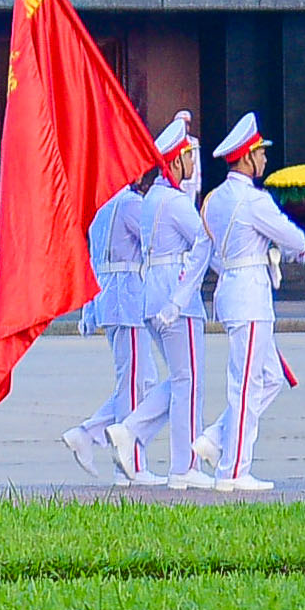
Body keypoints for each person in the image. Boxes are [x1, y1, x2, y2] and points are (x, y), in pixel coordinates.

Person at [65, 113, 193, 486]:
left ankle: (88, 434)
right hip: (130, 298)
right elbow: (159, 243)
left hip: (111, 298)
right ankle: (131, 464)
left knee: (139, 380)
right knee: (136, 381)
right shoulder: (132, 205)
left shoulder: (105, 207)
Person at [191, 114, 305, 493]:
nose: (263, 159)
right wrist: (292, 251)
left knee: (271, 377)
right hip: (250, 297)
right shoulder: (252, 200)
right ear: (246, 157)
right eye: (259, 153)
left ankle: (216, 436)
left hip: (231, 290)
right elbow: (294, 239)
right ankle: (233, 470)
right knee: (245, 385)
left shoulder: (216, 199)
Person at [106, 120, 212, 488]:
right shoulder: (174, 201)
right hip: (174, 297)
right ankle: (183, 465)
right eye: (187, 157)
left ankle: (133, 430)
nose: (193, 164)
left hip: (152, 296)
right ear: (175, 161)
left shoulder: (151, 198)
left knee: (181, 379)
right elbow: (205, 241)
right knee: (189, 381)